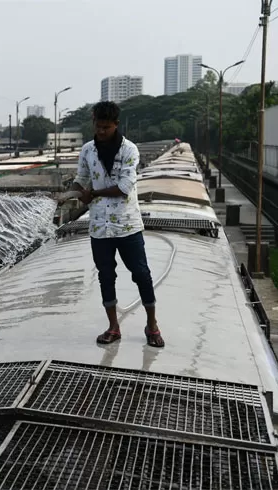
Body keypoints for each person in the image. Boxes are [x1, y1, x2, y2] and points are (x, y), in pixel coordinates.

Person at [71, 101, 164, 348]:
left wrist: (93, 192)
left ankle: (152, 325)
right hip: (99, 227)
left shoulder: (129, 150)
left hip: (127, 226)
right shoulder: (88, 151)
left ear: (116, 125)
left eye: (106, 127)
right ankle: (113, 327)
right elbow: (80, 180)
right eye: (98, 126)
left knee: (142, 274)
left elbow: (124, 188)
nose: (101, 131)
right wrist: (75, 192)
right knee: (105, 276)